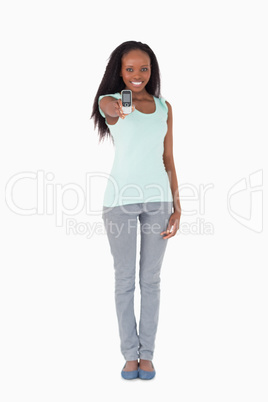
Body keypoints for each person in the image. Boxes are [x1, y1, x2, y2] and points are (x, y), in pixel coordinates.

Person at [91, 41, 181, 380]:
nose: (137, 75)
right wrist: (119, 104)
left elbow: (168, 159)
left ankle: (149, 355)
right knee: (125, 280)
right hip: (119, 203)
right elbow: (112, 109)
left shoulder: (164, 108)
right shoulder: (110, 102)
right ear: (120, 71)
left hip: (159, 202)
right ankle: (130, 355)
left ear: (152, 71)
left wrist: (178, 205)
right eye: (130, 69)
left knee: (152, 281)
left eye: (144, 68)